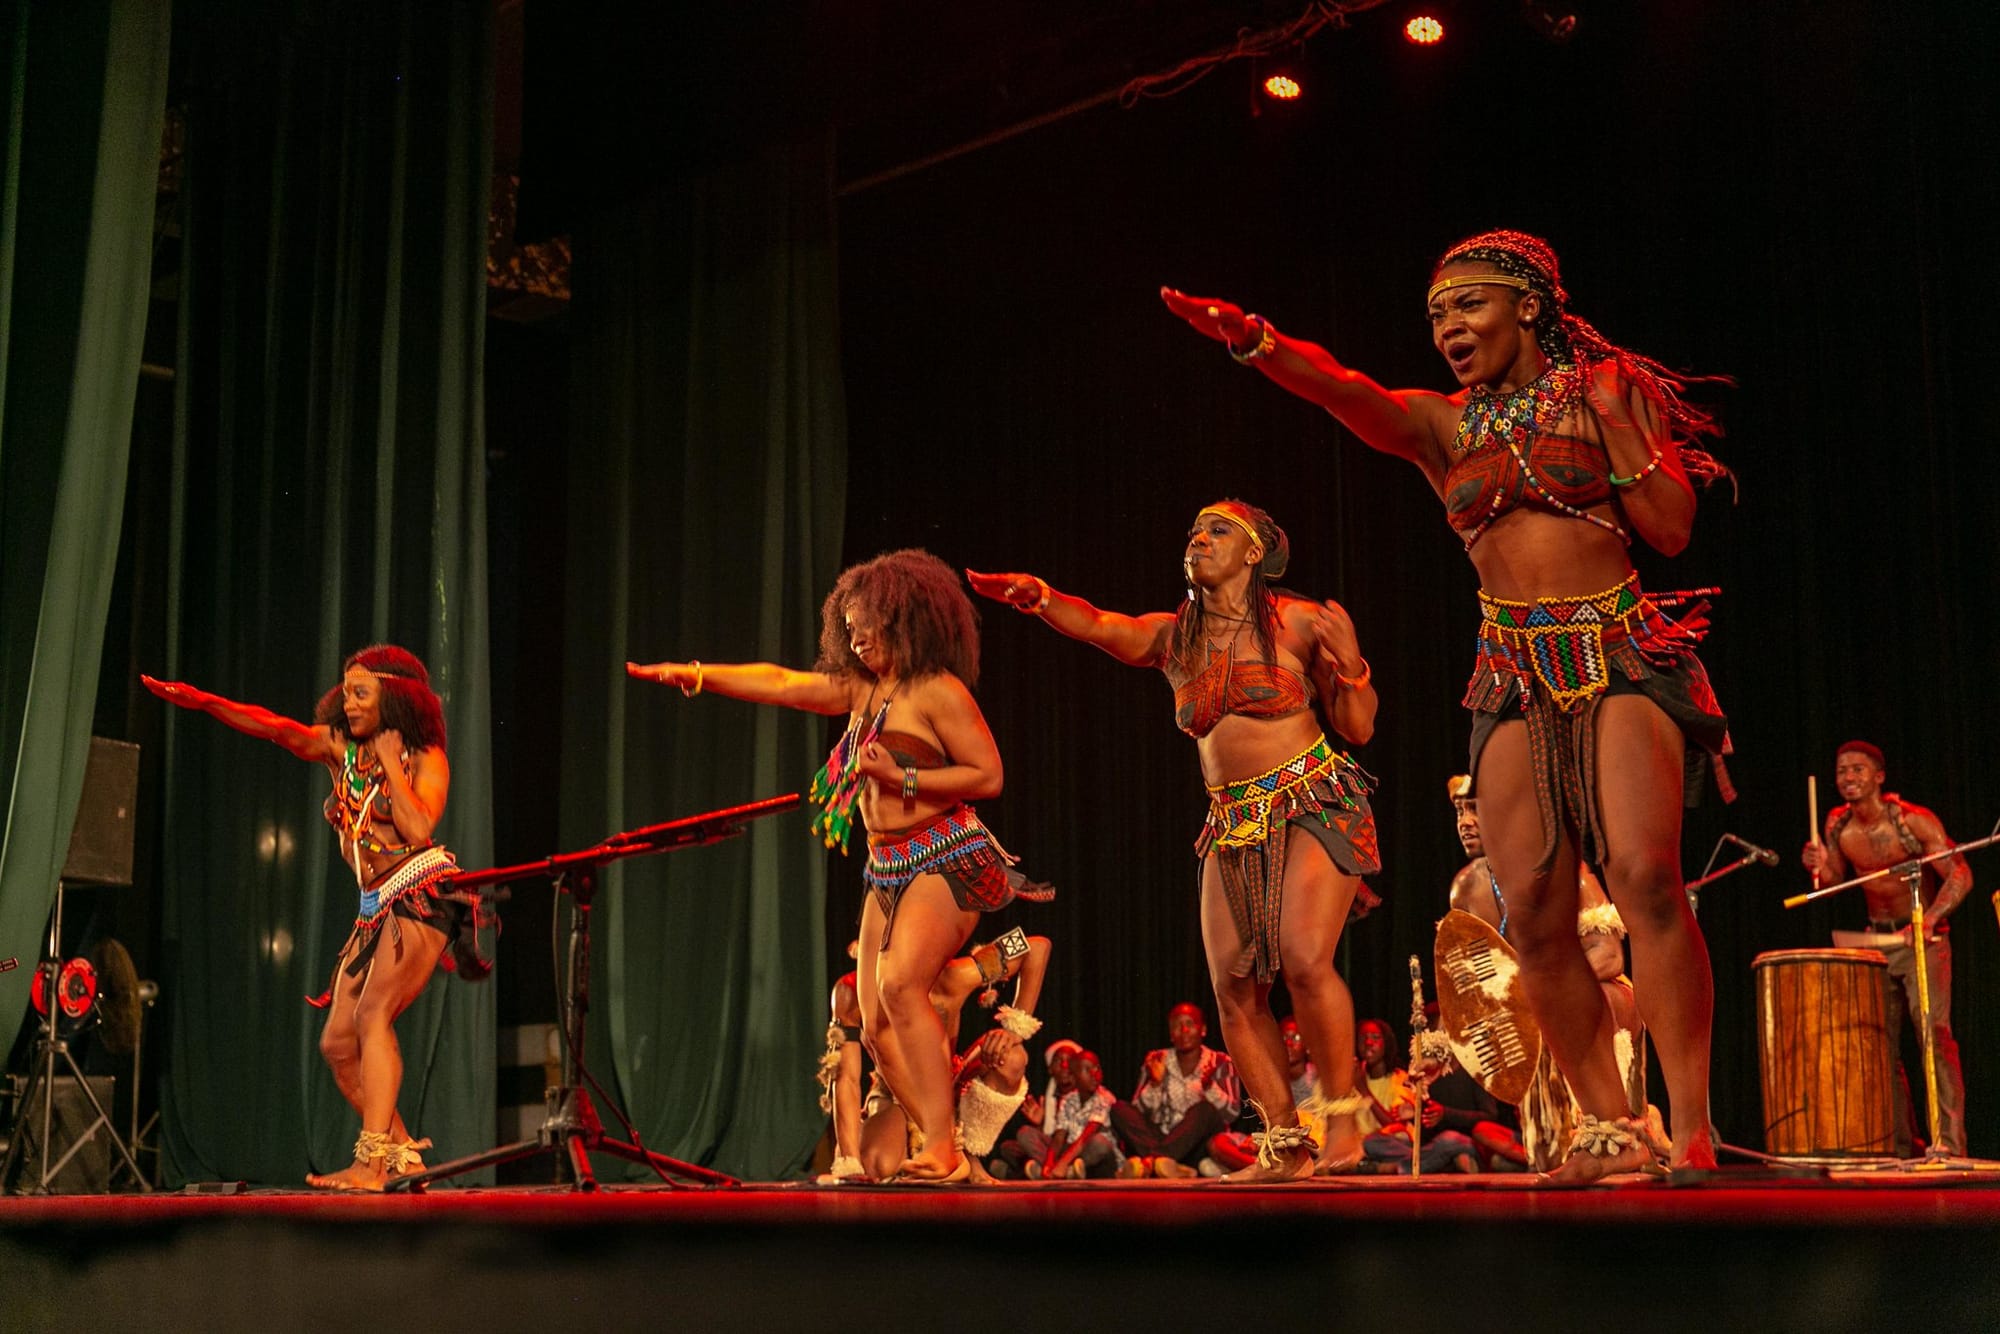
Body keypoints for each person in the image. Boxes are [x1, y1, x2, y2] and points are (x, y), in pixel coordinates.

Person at [1165, 229, 1733, 1178]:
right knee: (1536, 914)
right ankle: (1608, 1125)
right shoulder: (1443, 425)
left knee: (1643, 878)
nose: (1449, 329)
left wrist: (1619, 422)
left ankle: (1692, 1126)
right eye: (1436, 316)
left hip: (1617, 648)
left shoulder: (1607, 395)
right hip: (1508, 669)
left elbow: (1671, 529)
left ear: (1530, 306)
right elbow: (1346, 389)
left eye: (1468, 306)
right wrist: (1259, 343)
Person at [970, 498, 1380, 1181]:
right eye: (1193, 530)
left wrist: (1354, 665)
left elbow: (1359, 728)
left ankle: (1342, 1123)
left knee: (1306, 959)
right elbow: (1102, 625)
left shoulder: (1301, 622)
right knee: (1232, 988)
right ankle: (1284, 1140)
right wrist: (1041, 598)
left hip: (1314, 796)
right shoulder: (1174, 638)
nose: (1200, 538)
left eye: (1218, 530)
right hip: (1230, 818)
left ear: (1254, 553)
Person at [631, 549, 1050, 1183]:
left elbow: (989, 775)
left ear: (903, 619)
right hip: (886, 867)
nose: (854, 637)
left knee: (903, 984)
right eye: (847, 626)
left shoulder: (937, 689)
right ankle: (949, 1146)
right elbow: (781, 682)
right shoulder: (862, 690)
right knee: (876, 1024)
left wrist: (903, 774)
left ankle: (940, 1146)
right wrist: (694, 673)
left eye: (866, 624)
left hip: (947, 853)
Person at [142, 646, 489, 1191]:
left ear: (393, 698)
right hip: (373, 906)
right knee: (336, 1045)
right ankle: (402, 1154)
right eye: (345, 692)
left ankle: (371, 1165)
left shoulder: (425, 757)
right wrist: (203, 702)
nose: (347, 703)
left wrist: (394, 760)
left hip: (422, 891)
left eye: (361, 694)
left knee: (373, 1017)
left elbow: (420, 829)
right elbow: (276, 728)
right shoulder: (340, 751)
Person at [1444, 774, 1649, 1171]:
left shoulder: (1562, 868)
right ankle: (1551, 1146)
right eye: (1459, 811)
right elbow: (1468, 985)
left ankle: (1616, 1131)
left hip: (1596, 997)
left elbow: (1609, 958)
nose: (1465, 822)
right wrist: (1443, 1044)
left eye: (1475, 809)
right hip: (1530, 1010)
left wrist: (1538, 988)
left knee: (1571, 1004)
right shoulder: (1466, 889)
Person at [1801, 741, 1972, 1155]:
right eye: (1842, 771)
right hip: (1876, 940)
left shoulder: (1912, 821)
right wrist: (1819, 864)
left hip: (1923, 938)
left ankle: (1949, 1144)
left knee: (1934, 1034)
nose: (1848, 778)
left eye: (1858, 770)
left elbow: (1960, 874)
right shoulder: (1838, 825)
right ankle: (1900, 1144)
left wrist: (1927, 920)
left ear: (1879, 776)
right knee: (1880, 1044)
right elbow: (1837, 877)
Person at [1110, 1001, 1246, 1179]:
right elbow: (1137, 1110)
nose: (1183, 1030)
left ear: (1203, 1029)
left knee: (1204, 1110)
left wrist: (1209, 1088)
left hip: (1198, 1145)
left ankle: (1151, 1163)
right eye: (1176, 1026)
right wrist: (1155, 1084)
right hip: (1160, 1135)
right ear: (1171, 1034)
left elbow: (1232, 1114)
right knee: (1119, 1108)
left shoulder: (1220, 1062)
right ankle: (1169, 1165)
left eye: (1190, 1024)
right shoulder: (1157, 1060)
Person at [1355, 1018, 1480, 1175]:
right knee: (1370, 1142)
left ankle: (1407, 1166)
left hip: (1400, 1144)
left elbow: (1392, 1123)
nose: (1368, 1042)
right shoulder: (1352, 1078)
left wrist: (1364, 1091)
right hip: (1372, 1148)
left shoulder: (1401, 1079)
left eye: (1375, 1037)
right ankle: (1439, 1161)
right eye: (1363, 1037)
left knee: (1450, 1139)